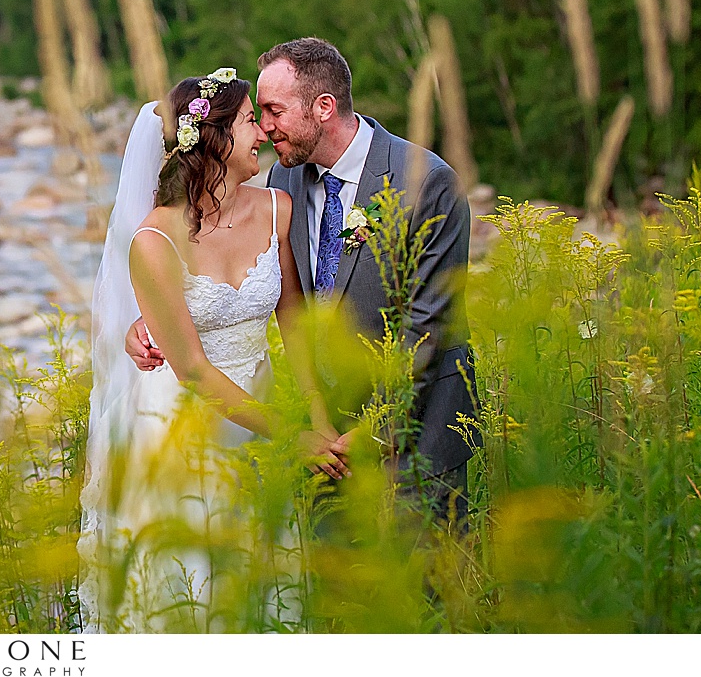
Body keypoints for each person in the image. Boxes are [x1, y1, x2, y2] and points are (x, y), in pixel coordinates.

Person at [125, 38, 477, 523]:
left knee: (427, 586)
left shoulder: (426, 183)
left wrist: (378, 427)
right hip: (312, 438)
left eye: (273, 111)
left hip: (413, 435)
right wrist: (143, 327)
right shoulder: (284, 183)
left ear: (323, 107)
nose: (266, 129)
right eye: (257, 116)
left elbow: (432, 323)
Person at [77, 68, 343, 632]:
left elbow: (293, 321)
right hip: (181, 427)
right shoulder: (154, 241)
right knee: (195, 586)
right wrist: (291, 436)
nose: (265, 133)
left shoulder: (277, 208)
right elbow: (192, 369)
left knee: (266, 579)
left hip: (262, 404)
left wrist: (317, 421)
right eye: (251, 121)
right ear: (215, 139)